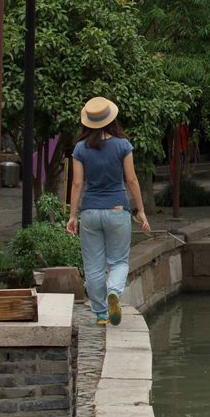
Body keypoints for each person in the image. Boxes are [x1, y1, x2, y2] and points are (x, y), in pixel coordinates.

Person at [66, 98, 150, 327]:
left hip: (91, 211)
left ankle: (102, 313)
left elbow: (76, 184)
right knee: (119, 261)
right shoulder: (123, 145)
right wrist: (140, 210)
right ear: (110, 119)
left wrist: (73, 215)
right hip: (117, 209)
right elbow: (131, 180)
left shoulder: (80, 149)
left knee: (93, 265)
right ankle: (114, 291)